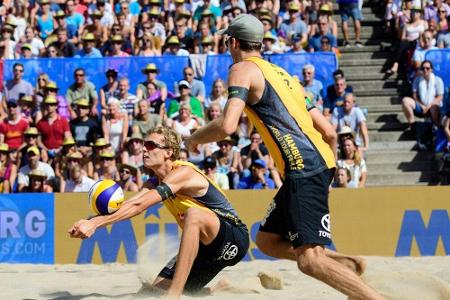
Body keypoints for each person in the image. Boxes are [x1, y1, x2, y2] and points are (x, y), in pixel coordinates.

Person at [185, 14, 383, 300]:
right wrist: (327, 171)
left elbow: (227, 126)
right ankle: (347, 265)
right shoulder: (284, 77)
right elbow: (328, 131)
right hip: (315, 164)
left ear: (235, 42)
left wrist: (193, 139)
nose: (227, 47)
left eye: (227, 42)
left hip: (303, 168)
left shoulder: (242, 69)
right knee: (266, 241)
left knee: (309, 261)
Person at [69, 126, 249, 298]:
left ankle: (174, 296)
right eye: (144, 145)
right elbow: (131, 205)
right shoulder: (154, 182)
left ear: (169, 152)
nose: (144, 150)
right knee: (153, 291)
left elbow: (139, 205)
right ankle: (218, 289)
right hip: (204, 250)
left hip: (233, 239)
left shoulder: (184, 172)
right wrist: (90, 221)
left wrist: (95, 224)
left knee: (193, 215)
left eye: (151, 145)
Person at [401, 60, 444, 127]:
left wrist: (428, 106)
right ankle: (412, 125)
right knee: (405, 101)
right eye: (423, 68)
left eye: (427, 68)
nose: (425, 70)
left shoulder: (438, 80)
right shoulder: (417, 80)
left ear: (431, 69)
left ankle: (436, 127)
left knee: (434, 107)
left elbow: (440, 97)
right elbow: (414, 95)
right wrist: (422, 106)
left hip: (433, 106)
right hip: (421, 106)